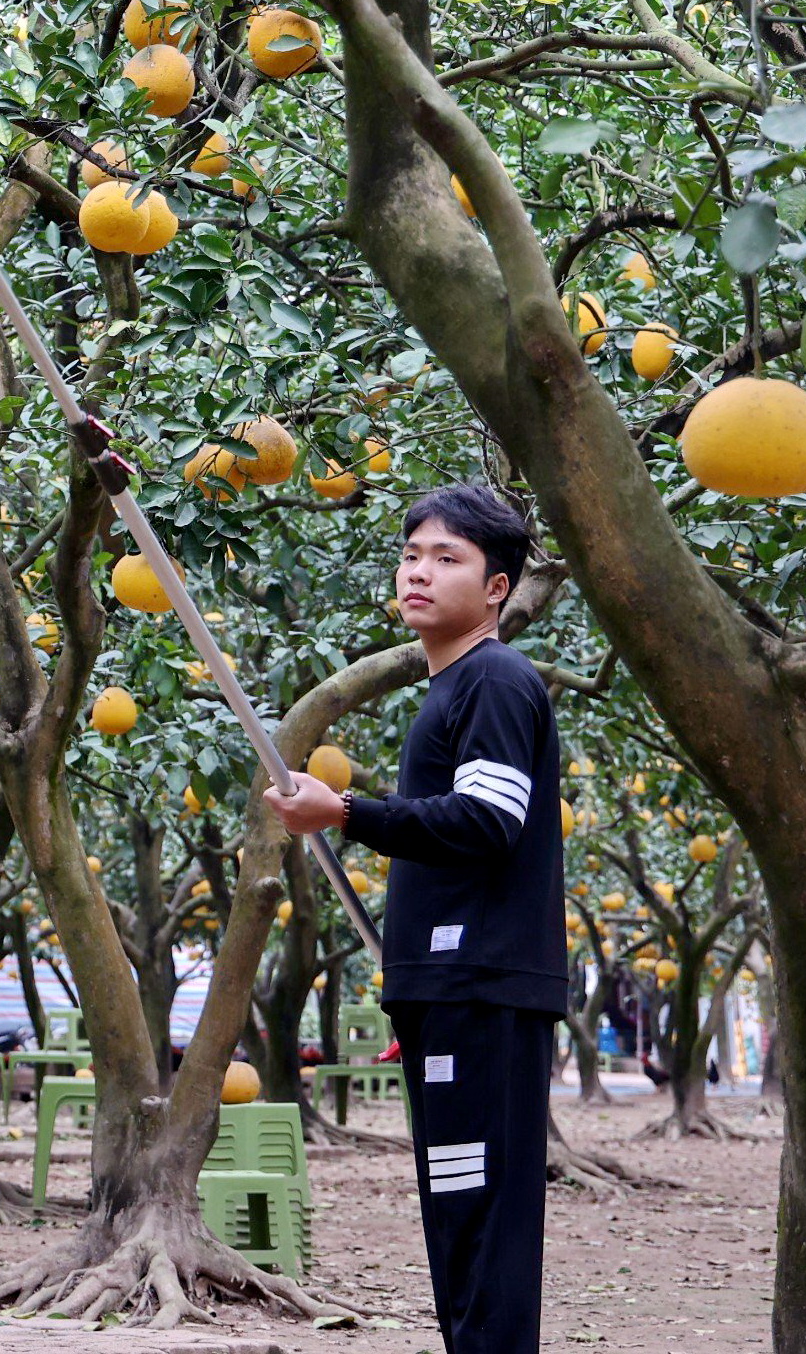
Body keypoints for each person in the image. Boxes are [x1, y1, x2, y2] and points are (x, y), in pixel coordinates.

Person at [263, 484, 564, 1354]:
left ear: (498, 587)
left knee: (481, 1215)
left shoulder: (496, 681)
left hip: (486, 990)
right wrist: (417, 988)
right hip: (449, 994)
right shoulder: (451, 688)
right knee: (457, 1211)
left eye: (448, 558)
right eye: (411, 555)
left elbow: (488, 823)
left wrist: (349, 812)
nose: (420, 572)